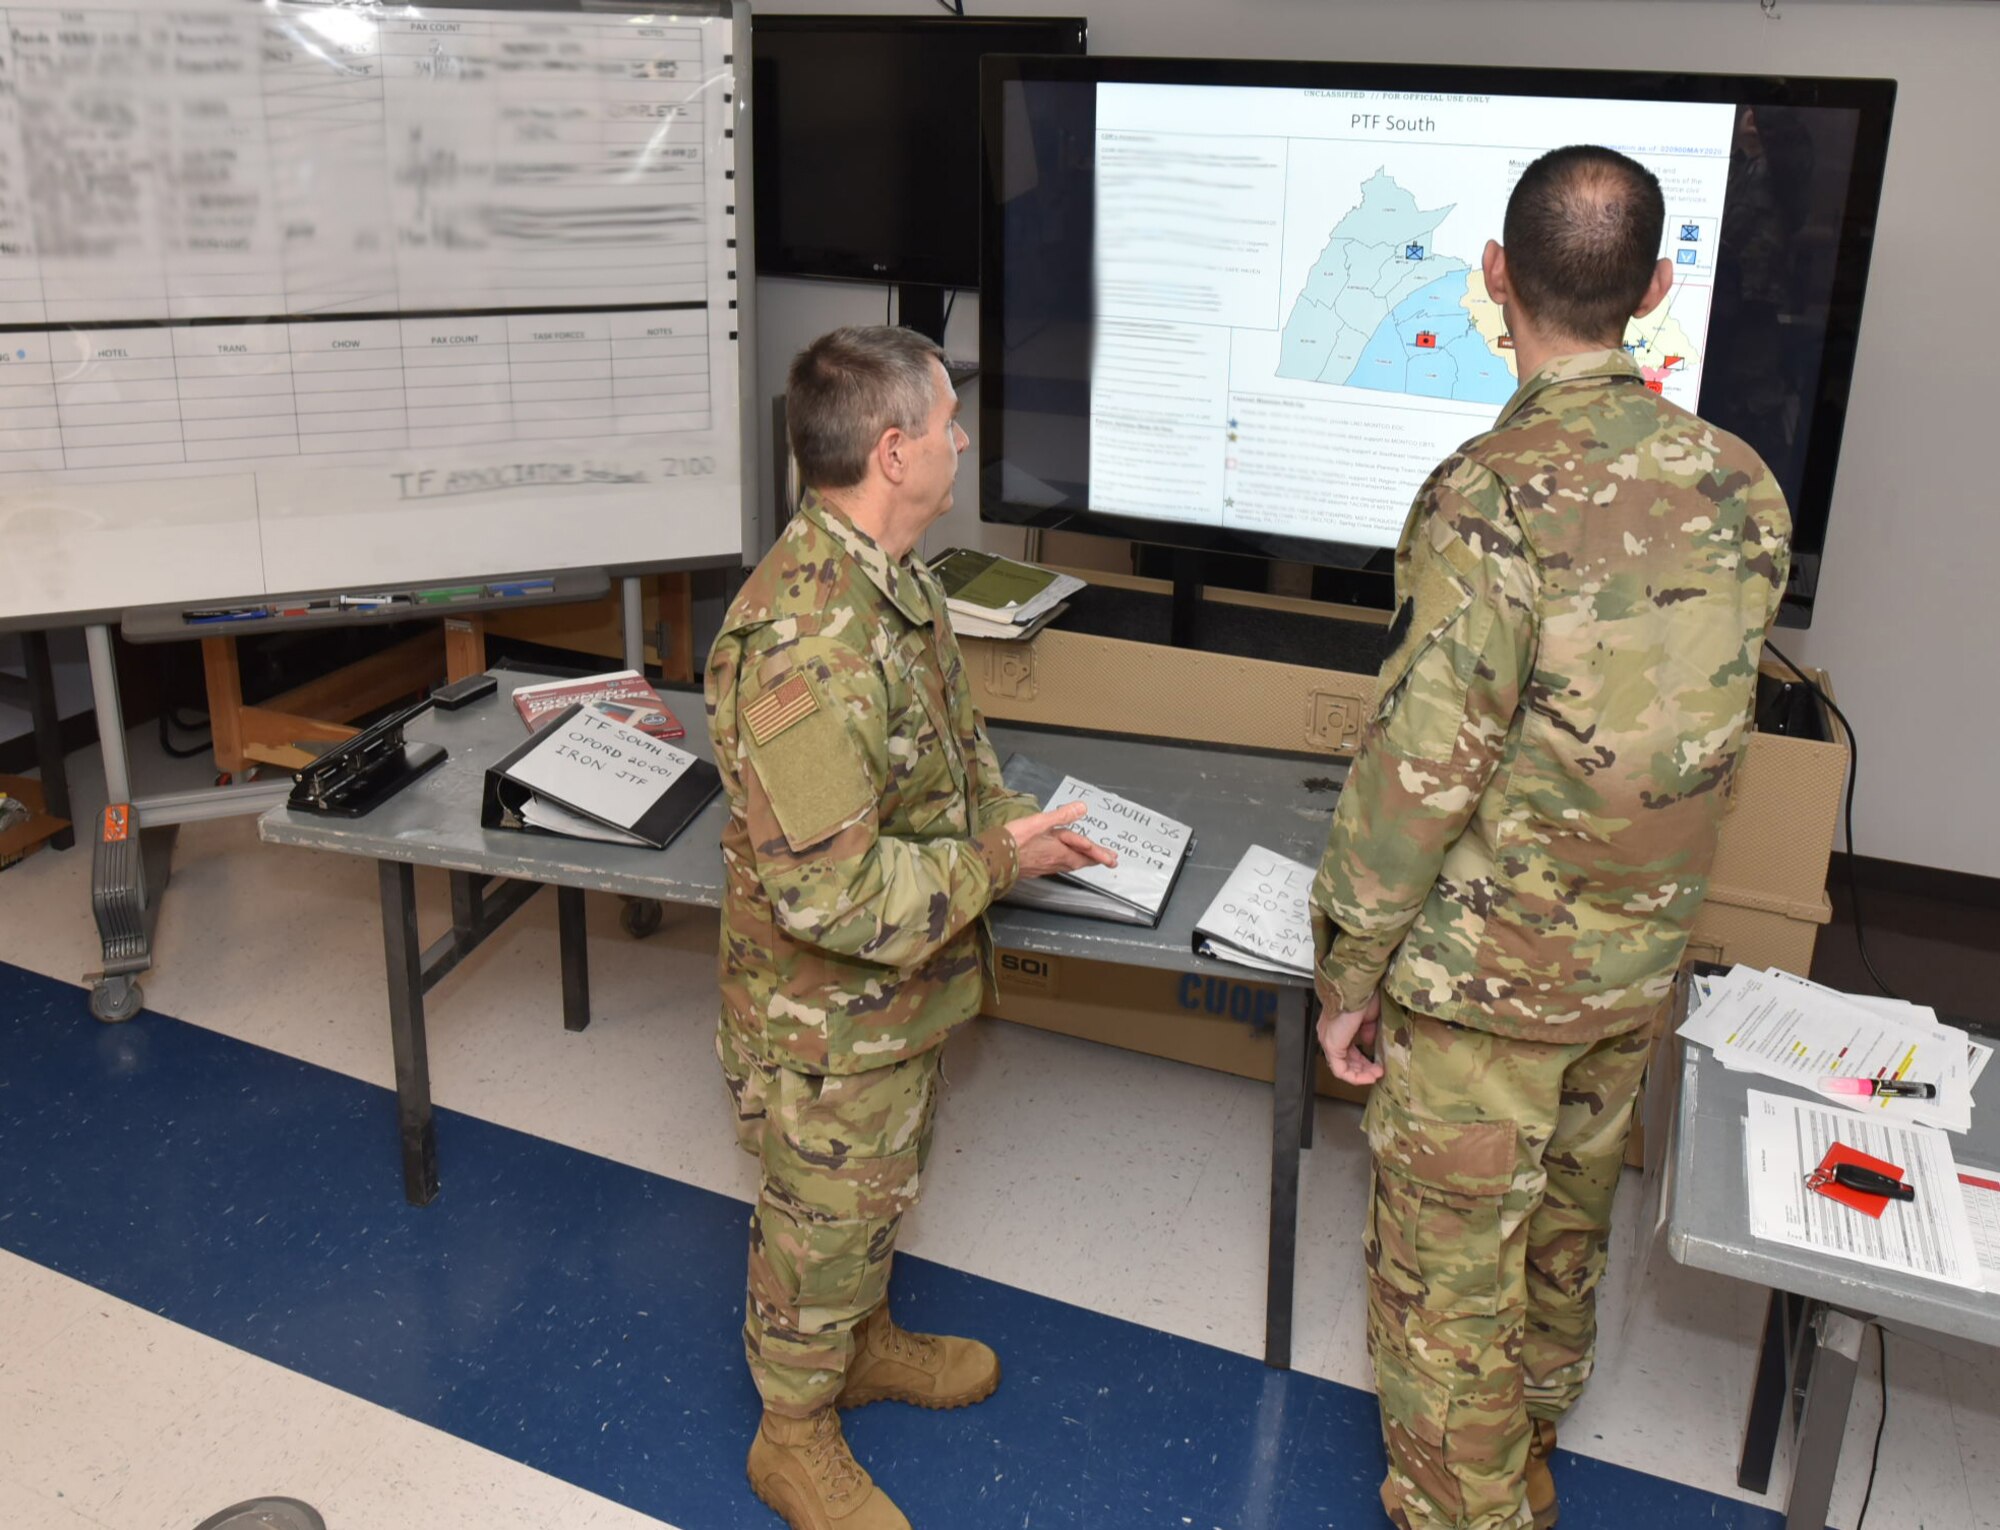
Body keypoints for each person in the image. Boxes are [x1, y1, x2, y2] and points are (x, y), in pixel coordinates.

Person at [1310, 146, 1791, 1530]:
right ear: (1654, 287)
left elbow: (1422, 768)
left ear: (1495, 280)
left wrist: (1348, 962)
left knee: (1448, 1280)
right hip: (1632, 967)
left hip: (1485, 987)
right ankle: (1526, 1449)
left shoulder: (1488, 491)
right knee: (1567, 1231)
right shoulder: (1743, 482)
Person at [706, 324, 1115, 1530]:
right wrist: (1000, 858)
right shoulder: (804, 649)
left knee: (874, 1199)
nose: (961, 441)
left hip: (895, 997)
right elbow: (829, 897)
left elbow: (948, 747)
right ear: (893, 452)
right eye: (947, 425)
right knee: (818, 1218)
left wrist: (1012, 826)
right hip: (824, 1022)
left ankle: (861, 1343)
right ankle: (791, 1432)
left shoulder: (894, 580)